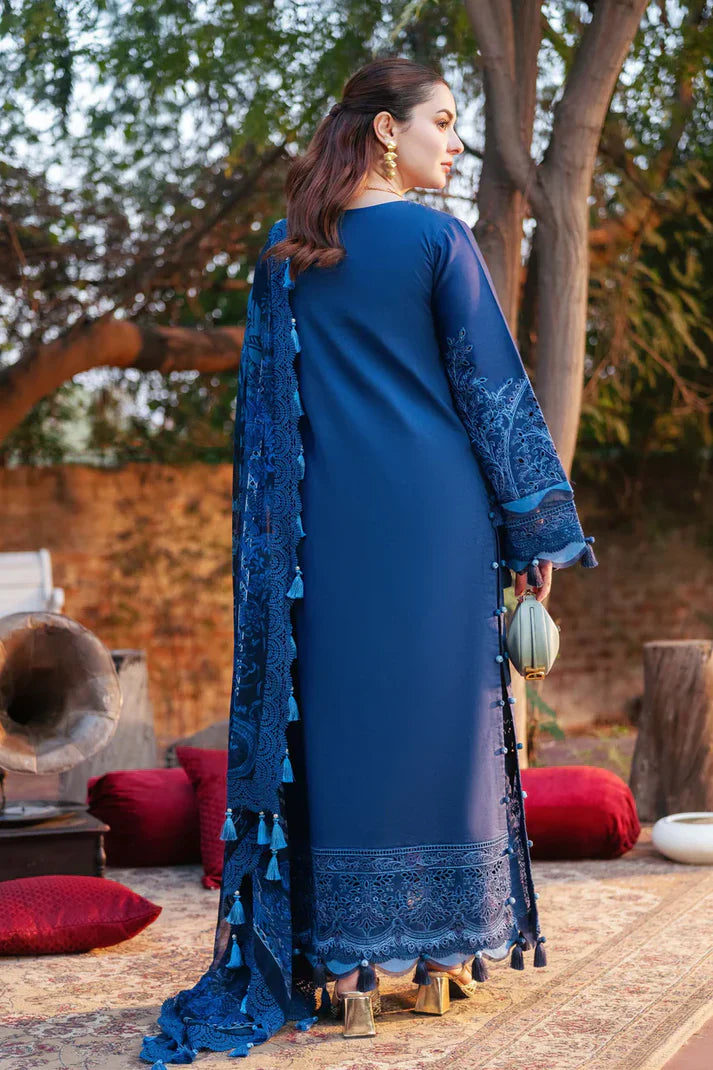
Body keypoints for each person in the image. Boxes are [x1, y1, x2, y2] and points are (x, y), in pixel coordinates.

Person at [141, 55, 598, 1066]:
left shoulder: (283, 256)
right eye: (442, 120)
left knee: (344, 723)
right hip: (437, 519)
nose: (455, 142)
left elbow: (265, 428)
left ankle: (347, 968)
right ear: (387, 130)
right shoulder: (438, 240)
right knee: (442, 723)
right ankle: (439, 955)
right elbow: (489, 392)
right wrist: (532, 533)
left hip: (323, 533)